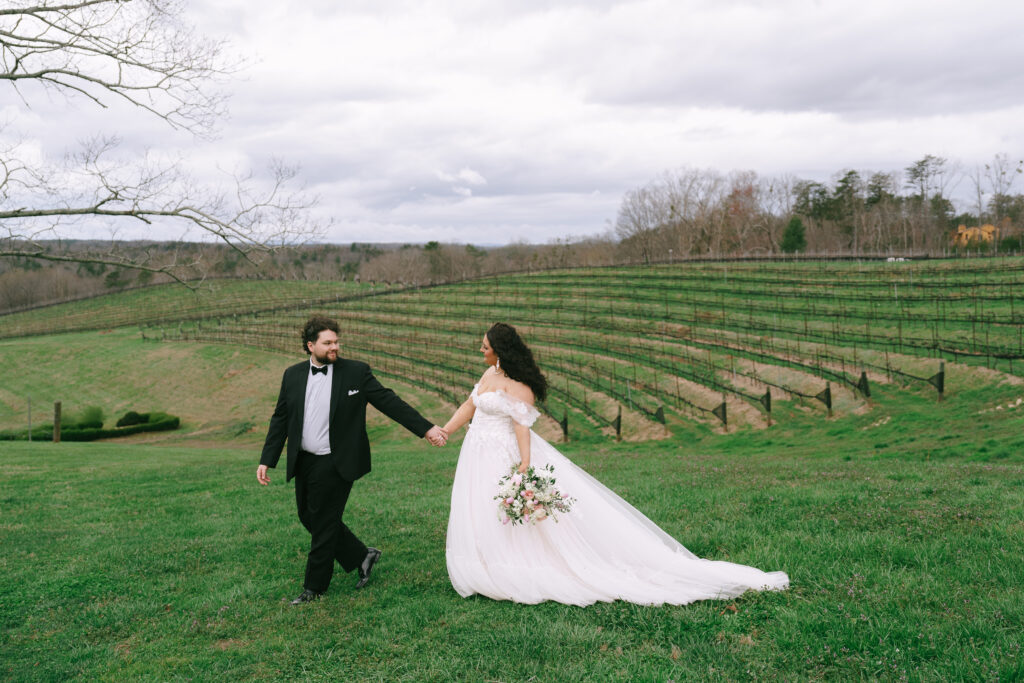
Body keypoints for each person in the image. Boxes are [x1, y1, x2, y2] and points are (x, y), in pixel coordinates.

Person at [441, 322, 789, 606]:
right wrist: (445, 431)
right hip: (476, 450)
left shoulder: (520, 388)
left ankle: (512, 566)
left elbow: (521, 429)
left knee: (511, 510)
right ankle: (484, 561)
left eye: (484, 346)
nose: (480, 350)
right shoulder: (487, 377)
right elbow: (469, 406)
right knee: (478, 508)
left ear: (500, 350)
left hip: (504, 453)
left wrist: (525, 467)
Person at [257, 315, 448, 605]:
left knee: (322, 522)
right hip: (304, 459)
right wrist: (267, 459)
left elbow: (388, 401)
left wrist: (426, 428)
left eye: (336, 341)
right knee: (308, 516)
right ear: (310, 345)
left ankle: (314, 588)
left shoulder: (356, 373)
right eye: (327, 342)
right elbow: (280, 418)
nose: (335, 346)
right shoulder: (292, 375)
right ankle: (362, 555)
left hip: (337, 461)